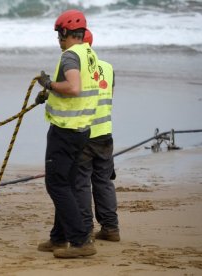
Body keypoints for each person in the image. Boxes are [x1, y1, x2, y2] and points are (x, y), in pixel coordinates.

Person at [35, 9, 99, 258]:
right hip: (82, 128)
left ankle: (80, 241)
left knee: (57, 184)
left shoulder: (70, 56)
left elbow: (73, 87)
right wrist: (51, 91)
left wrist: (49, 84)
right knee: (67, 183)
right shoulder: (89, 53)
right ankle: (59, 238)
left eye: (58, 35)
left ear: (65, 32)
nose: (58, 41)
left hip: (66, 130)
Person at [75, 29, 120, 241]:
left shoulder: (75, 69)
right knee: (103, 181)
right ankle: (111, 228)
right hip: (105, 133)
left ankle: (85, 230)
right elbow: (109, 94)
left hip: (84, 133)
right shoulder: (108, 68)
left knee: (81, 182)